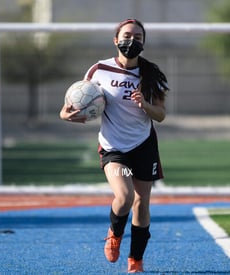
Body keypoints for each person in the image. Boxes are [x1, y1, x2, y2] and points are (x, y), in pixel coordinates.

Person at [59, 19, 169, 273]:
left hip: (143, 145)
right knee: (125, 196)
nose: (132, 41)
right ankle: (115, 232)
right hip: (113, 147)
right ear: (116, 39)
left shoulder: (151, 74)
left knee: (142, 203)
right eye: (127, 35)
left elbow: (161, 114)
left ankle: (135, 261)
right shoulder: (99, 70)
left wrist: (145, 105)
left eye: (138, 37)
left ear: (143, 42)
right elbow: (76, 100)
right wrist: (67, 115)